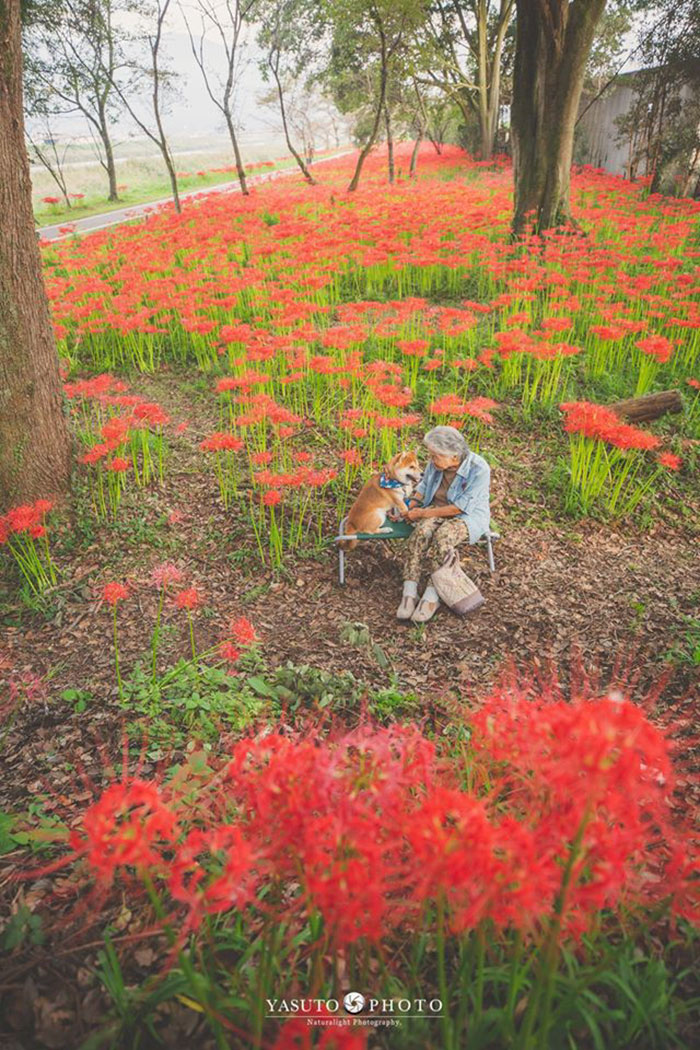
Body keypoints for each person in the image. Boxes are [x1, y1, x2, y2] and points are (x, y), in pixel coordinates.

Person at [397, 425, 490, 623]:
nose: (431, 460)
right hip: (435, 510)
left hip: (467, 516)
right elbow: (423, 487)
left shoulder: (479, 469)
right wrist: (410, 506)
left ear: (454, 457)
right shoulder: (437, 464)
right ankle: (410, 590)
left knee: (443, 537)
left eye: (436, 456)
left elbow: (459, 508)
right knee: (421, 532)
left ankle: (433, 595)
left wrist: (422, 512)